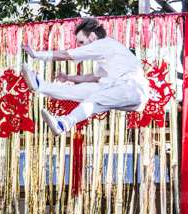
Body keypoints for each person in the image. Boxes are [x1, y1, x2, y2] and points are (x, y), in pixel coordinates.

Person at [21, 18, 150, 136]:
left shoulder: (103, 44)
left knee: (92, 98)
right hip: (125, 92)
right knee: (82, 91)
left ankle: (63, 123)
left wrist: (36, 54)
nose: (82, 47)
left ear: (93, 36)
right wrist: (69, 78)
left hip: (132, 88)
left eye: (82, 42)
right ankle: (40, 86)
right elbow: (94, 78)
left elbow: (66, 55)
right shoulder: (108, 57)